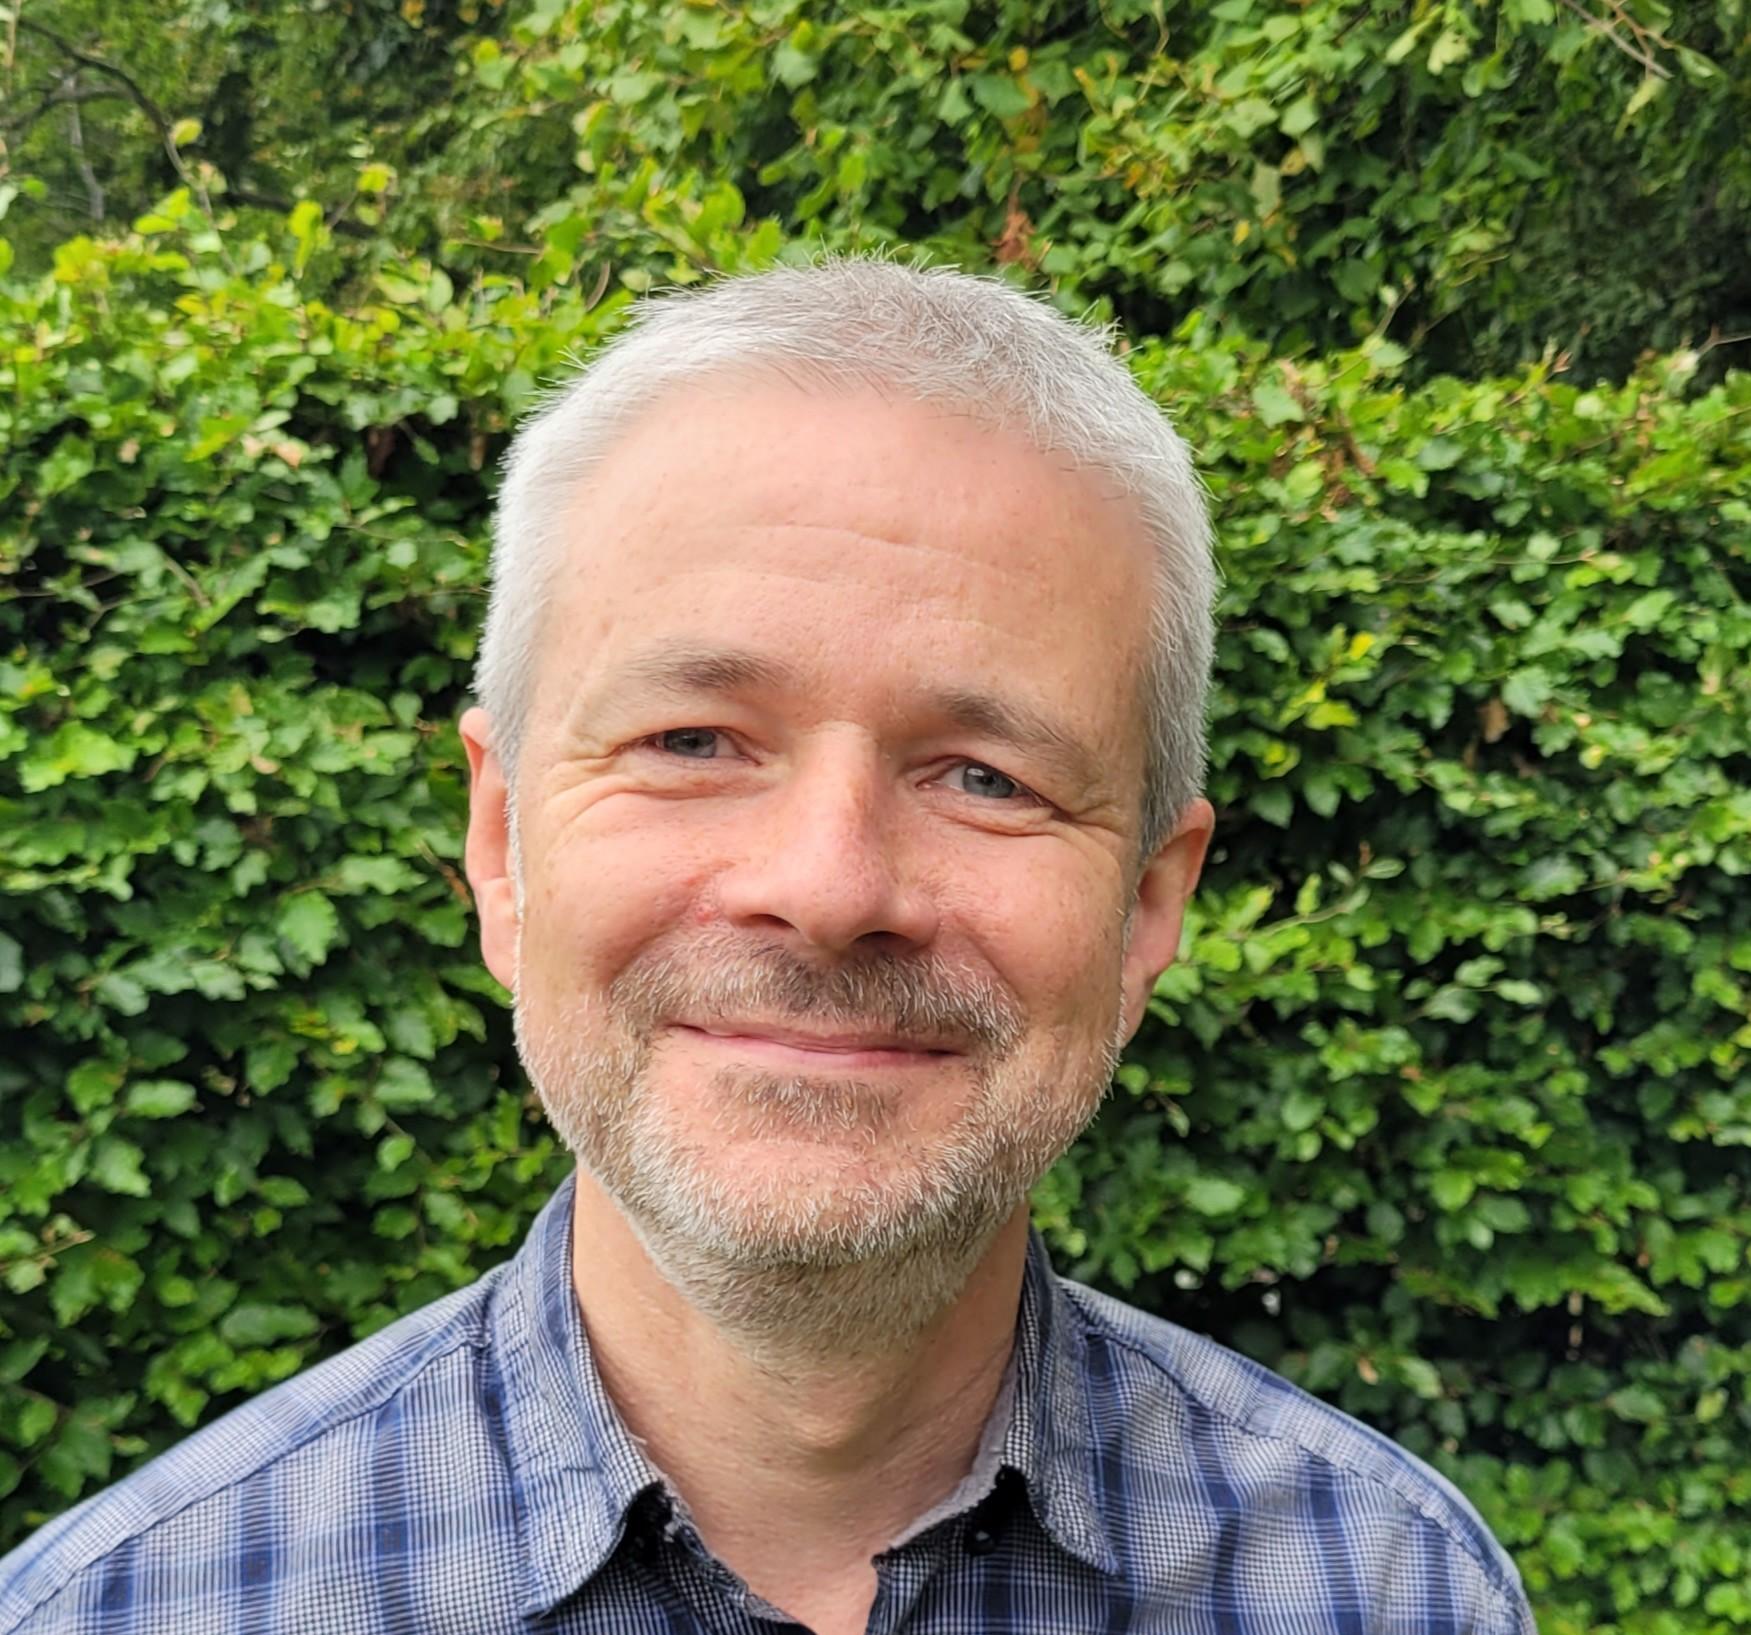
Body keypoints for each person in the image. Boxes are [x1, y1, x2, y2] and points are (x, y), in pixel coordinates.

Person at [0, 259, 1535, 1635]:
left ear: (1147, 908)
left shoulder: (1392, 1592)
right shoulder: (127, 1613)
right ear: (503, 848)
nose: (829, 884)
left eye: (984, 776)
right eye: (693, 740)